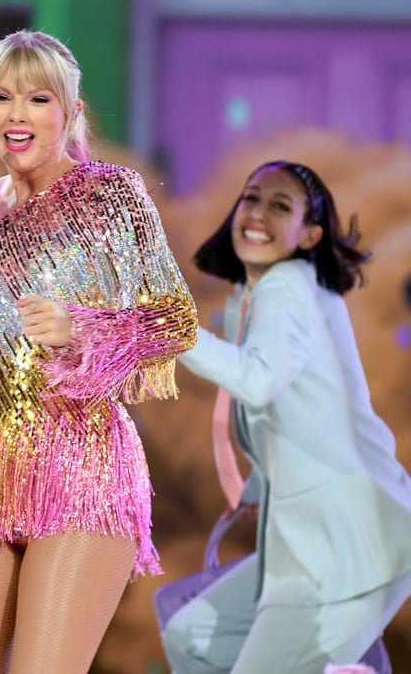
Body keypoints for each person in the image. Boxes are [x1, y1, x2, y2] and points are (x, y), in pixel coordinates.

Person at [0, 30, 198, 673]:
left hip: (82, 466)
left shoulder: (113, 195)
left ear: (71, 113)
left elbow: (176, 320)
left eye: (37, 98)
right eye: (0, 97)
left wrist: (85, 328)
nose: (16, 114)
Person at [161, 160, 411, 673]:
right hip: (311, 547)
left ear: (309, 235)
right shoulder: (253, 295)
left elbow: (258, 379)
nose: (257, 214)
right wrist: (259, 488)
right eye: (252, 198)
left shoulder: (287, 286)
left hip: (345, 554)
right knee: (194, 636)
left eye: (280, 206)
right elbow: (306, 413)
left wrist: (175, 331)